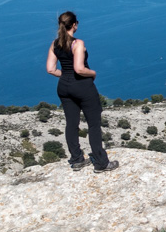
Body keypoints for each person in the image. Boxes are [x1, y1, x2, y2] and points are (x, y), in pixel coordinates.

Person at [46, 11, 117, 172]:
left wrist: (65, 75)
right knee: (93, 124)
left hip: (63, 86)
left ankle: (77, 159)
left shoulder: (54, 44)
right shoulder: (77, 43)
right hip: (82, 87)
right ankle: (101, 163)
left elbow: (50, 69)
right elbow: (79, 69)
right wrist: (93, 73)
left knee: (71, 123)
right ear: (74, 25)